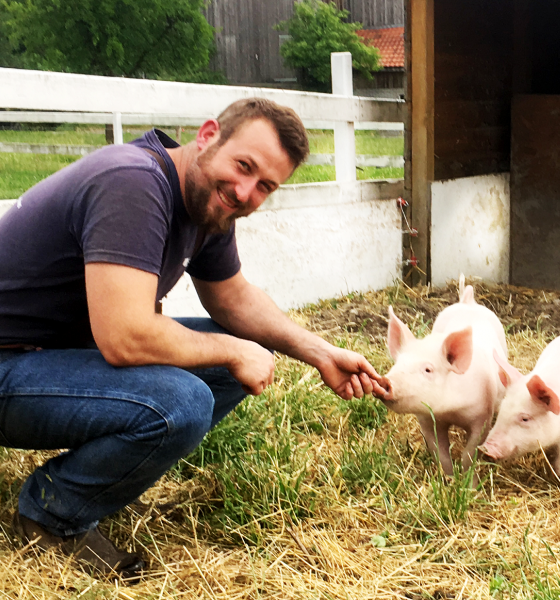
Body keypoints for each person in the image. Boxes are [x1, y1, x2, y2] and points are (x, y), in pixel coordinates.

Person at [0, 98, 388, 581]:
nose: (245, 191)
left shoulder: (207, 203)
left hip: (54, 357)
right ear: (208, 136)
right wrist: (231, 350)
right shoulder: (133, 183)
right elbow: (125, 337)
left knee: (233, 358)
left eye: (265, 186)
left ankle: (103, 483)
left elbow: (233, 300)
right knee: (181, 402)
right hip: (9, 363)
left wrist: (320, 352)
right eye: (244, 166)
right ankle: (53, 511)